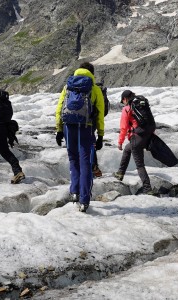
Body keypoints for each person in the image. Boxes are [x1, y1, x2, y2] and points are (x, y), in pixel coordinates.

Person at [55, 62, 106, 213]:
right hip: (86, 128)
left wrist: (58, 129)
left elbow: (59, 108)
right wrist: (101, 135)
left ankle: (74, 192)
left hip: (68, 127)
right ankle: (84, 199)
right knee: (86, 163)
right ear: (91, 72)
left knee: (73, 159)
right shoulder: (94, 88)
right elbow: (100, 113)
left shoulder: (68, 86)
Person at [113, 90, 152, 194]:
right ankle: (120, 173)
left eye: (123, 101)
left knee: (139, 165)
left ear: (125, 99)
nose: (123, 103)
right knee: (127, 149)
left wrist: (120, 141)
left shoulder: (127, 109)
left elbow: (123, 127)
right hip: (146, 135)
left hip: (136, 137)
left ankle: (148, 189)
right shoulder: (142, 105)